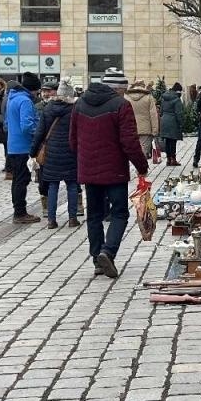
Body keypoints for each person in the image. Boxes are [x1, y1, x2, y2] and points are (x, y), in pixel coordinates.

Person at [68, 78, 148, 278]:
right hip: (114, 171)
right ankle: (108, 251)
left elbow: (73, 140)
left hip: (88, 170)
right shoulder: (121, 105)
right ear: (118, 89)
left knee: (94, 215)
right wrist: (142, 166)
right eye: (124, 89)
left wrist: (84, 159)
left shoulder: (80, 104)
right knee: (120, 213)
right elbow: (129, 141)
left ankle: (97, 260)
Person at [31, 80, 80, 229]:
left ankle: (51, 220)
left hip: (51, 152)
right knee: (72, 184)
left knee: (52, 185)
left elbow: (40, 131)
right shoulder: (75, 109)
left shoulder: (49, 107)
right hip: (71, 151)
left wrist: (33, 151)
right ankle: (72, 219)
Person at [4, 72, 38, 224]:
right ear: (33, 89)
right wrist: (37, 133)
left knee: (17, 180)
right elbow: (27, 126)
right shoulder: (25, 101)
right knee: (21, 181)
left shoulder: (13, 98)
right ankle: (20, 213)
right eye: (37, 90)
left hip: (13, 146)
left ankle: (18, 210)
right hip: (23, 146)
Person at [124, 80, 160, 163]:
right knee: (143, 150)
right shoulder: (148, 97)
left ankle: (136, 167)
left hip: (130, 127)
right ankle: (141, 170)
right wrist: (155, 131)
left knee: (132, 149)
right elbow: (153, 115)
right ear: (143, 86)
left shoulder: (126, 97)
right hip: (145, 129)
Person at [159, 82, 186, 167]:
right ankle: (173, 159)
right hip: (173, 121)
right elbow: (179, 113)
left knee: (167, 141)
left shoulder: (164, 98)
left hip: (164, 120)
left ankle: (168, 159)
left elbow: (161, 111)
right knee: (173, 141)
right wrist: (181, 123)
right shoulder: (176, 100)